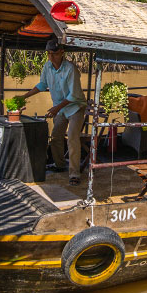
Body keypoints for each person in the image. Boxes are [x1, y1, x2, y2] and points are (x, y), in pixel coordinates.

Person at [22, 37, 87, 184]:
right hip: (61, 108)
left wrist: (57, 108)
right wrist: (24, 96)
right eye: (49, 53)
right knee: (56, 137)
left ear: (62, 52)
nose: (52, 56)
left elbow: (74, 95)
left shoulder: (70, 69)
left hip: (75, 107)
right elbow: (42, 84)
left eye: (55, 53)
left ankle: (74, 174)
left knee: (72, 138)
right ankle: (60, 165)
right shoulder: (47, 67)